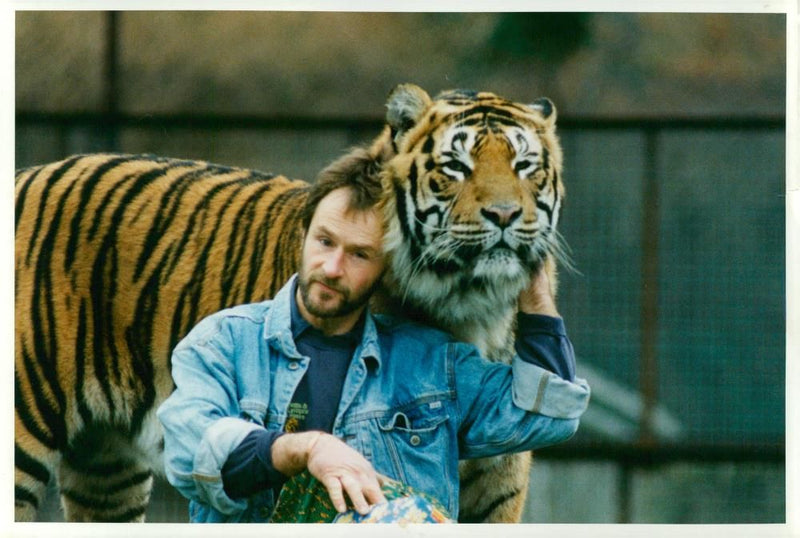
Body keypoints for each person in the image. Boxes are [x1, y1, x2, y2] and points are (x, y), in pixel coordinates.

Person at [157, 169, 591, 523]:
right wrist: (306, 449)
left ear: (388, 269)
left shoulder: (429, 363)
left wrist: (532, 274)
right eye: (324, 241)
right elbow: (191, 451)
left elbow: (550, 412)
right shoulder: (225, 343)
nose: (331, 267)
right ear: (303, 233)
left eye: (359, 255)